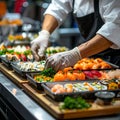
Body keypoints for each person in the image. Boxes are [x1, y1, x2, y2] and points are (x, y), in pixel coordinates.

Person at [31, 0, 120, 71]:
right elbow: (57, 6)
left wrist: (75, 54)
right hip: (90, 60)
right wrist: (44, 33)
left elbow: (115, 27)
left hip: (115, 59)